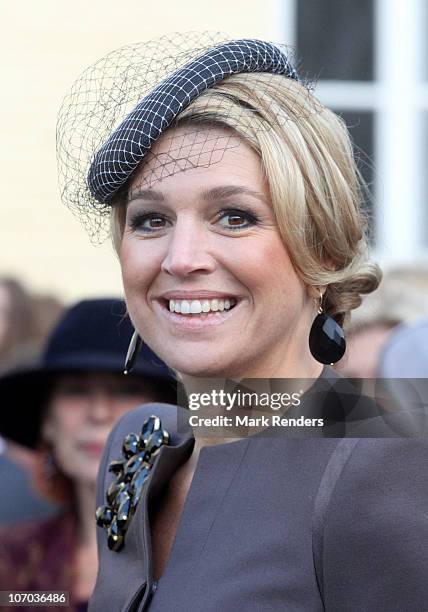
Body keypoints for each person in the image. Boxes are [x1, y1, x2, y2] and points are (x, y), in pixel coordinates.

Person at [56, 36, 428, 611]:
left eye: (235, 217)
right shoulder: (138, 446)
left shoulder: (383, 468)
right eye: (150, 220)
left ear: (322, 247)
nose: (181, 258)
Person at [0, 298, 178, 611]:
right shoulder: (9, 560)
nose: (98, 412)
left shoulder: (211, 556)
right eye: (77, 390)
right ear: (47, 422)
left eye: (126, 390)